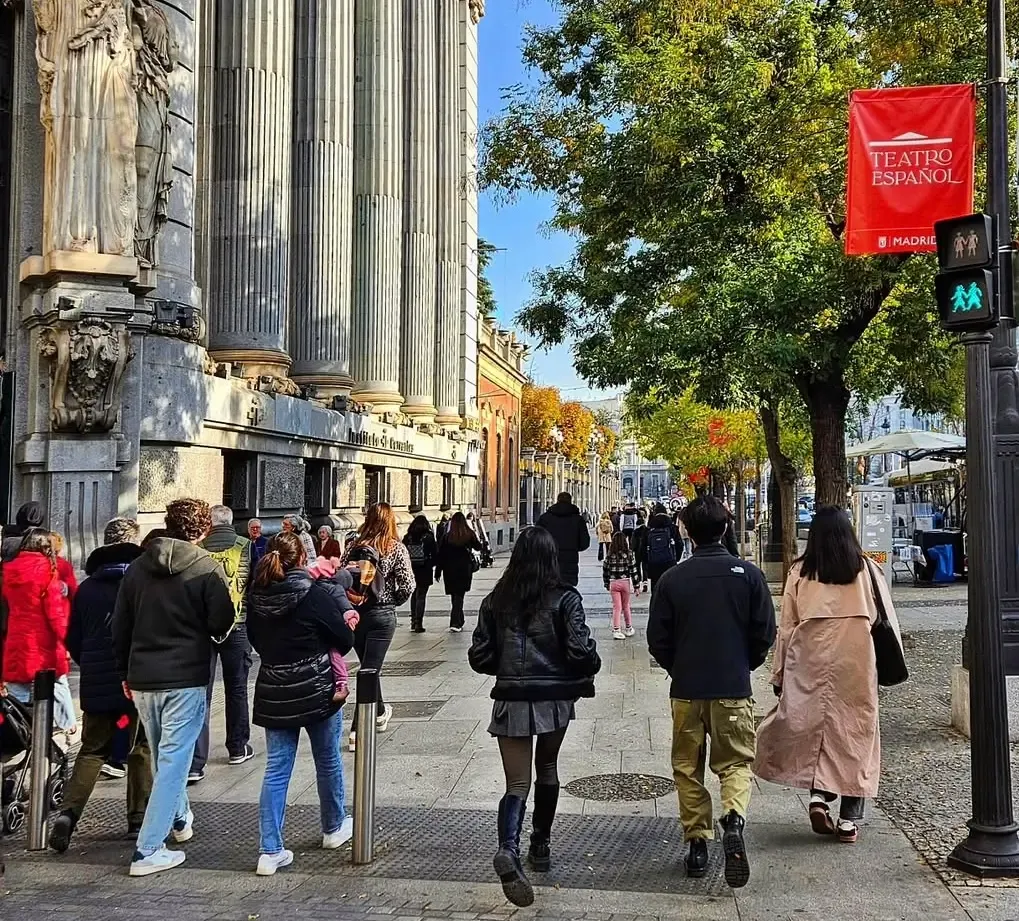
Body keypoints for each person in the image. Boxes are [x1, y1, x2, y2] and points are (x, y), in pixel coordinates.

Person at [647, 496, 776, 889]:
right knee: (735, 762)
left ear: (686, 530)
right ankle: (733, 817)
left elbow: (658, 639)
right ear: (724, 529)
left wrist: (677, 666)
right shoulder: (748, 576)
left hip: (686, 690)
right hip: (732, 687)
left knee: (687, 768)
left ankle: (698, 844)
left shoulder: (673, 578)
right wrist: (744, 664)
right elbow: (764, 634)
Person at [468, 527, 600, 908]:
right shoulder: (564, 598)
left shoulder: (496, 600)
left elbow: (479, 655)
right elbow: (579, 650)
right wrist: (590, 660)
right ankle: (539, 844)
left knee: (516, 782)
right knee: (547, 767)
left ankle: (507, 848)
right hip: (554, 698)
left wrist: (505, 666)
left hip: (511, 697)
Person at [755, 506, 903, 844]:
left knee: (813, 728)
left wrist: (779, 673)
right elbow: (887, 619)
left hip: (809, 656)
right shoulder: (866, 569)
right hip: (856, 659)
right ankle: (850, 820)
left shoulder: (800, 573)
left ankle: (819, 797)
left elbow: (788, 627)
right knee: (856, 734)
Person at [113, 498, 234, 877]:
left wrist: (124, 672)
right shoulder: (206, 568)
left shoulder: (136, 569)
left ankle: (179, 818)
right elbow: (222, 622)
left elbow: (119, 627)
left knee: (167, 756)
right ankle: (148, 849)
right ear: (203, 530)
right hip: (185, 676)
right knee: (173, 762)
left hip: (144, 678)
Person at [247, 531, 356, 875]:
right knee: (328, 759)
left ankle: (270, 849)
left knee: (277, 769)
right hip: (317, 686)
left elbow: (255, 639)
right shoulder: (314, 594)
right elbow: (344, 637)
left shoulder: (257, 595)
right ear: (300, 559)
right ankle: (333, 826)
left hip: (274, 689)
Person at [49, 518, 152, 853]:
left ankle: (68, 815)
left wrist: (91, 664)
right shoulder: (140, 582)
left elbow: (73, 637)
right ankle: (137, 820)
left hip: (97, 681)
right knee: (140, 749)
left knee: (93, 749)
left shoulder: (88, 587)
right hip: (135, 679)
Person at [188, 506, 254, 784]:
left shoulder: (197, 549)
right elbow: (254, 585)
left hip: (204, 630)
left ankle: (195, 762)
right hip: (237, 625)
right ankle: (237, 746)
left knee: (201, 693)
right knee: (237, 688)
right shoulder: (246, 546)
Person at [343, 502, 414, 752]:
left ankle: (380, 711)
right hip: (382, 616)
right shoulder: (395, 547)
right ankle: (357, 730)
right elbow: (408, 584)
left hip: (356, 614)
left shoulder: (353, 546)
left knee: (368, 667)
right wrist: (390, 601)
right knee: (370, 671)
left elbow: (340, 577)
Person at [1, 530, 73, 719]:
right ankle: (66, 728)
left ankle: (19, 731)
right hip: (43, 639)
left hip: (17, 636)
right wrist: (67, 638)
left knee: (17, 688)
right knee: (58, 684)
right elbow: (54, 611)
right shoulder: (48, 571)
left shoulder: (10, 570)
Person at [435, 512, 482, 633]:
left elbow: (440, 555)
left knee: (455, 596)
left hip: (449, 570)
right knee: (459, 596)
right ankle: (456, 622)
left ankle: (458, 620)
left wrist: (438, 571)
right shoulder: (469, 534)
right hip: (464, 569)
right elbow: (478, 547)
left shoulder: (447, 537)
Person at [536, 493, 591, 588]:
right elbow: (585, 543)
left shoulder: (545, 518)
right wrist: (573, 547)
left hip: (549, 559)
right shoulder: (578, 519)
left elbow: (536, 539)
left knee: (549, 588)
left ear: (557, 500)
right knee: (567, 590)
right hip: (570, 560)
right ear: (571, 501)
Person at [403, 515, 438, 633]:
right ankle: (419, 623)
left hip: (411, 569)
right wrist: (432, 565)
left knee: (414, 594)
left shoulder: (408, 537)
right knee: (421, 595)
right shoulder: (428, 537)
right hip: (424, 569)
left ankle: (413, 621)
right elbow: (435, 553)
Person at [602, 532, 639, 639]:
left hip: (613, 583)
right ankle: (628, 628)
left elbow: (605, 570)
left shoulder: (609, 555)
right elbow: (634, 570)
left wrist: (606, 583)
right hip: (625, 582)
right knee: (626, 606)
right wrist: (636, 586)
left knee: (616, 607)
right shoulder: (629, 554)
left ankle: (616, 629)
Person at [644, 504, 681, 591]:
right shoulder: (673, 528)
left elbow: (643, 549)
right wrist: (676, 558)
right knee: (671, 588)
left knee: (656, 589)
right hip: (670, 562)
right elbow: (679, 545)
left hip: (654, 564)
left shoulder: (649, 529)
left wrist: (647, 562)